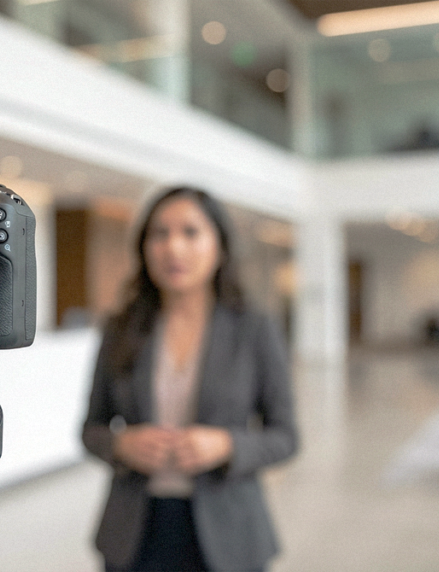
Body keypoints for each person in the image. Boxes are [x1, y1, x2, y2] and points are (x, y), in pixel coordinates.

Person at [82, 187, 298, 572]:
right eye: (159, 234)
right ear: (144, 247)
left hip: (229, 533)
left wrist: (227, 444)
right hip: (134, 531)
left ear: (220, 246)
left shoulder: (253, 328)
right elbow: (90, 428)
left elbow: (286, 436)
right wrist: (121, 444)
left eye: (190, 232)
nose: (173, 248)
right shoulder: (121, 328)